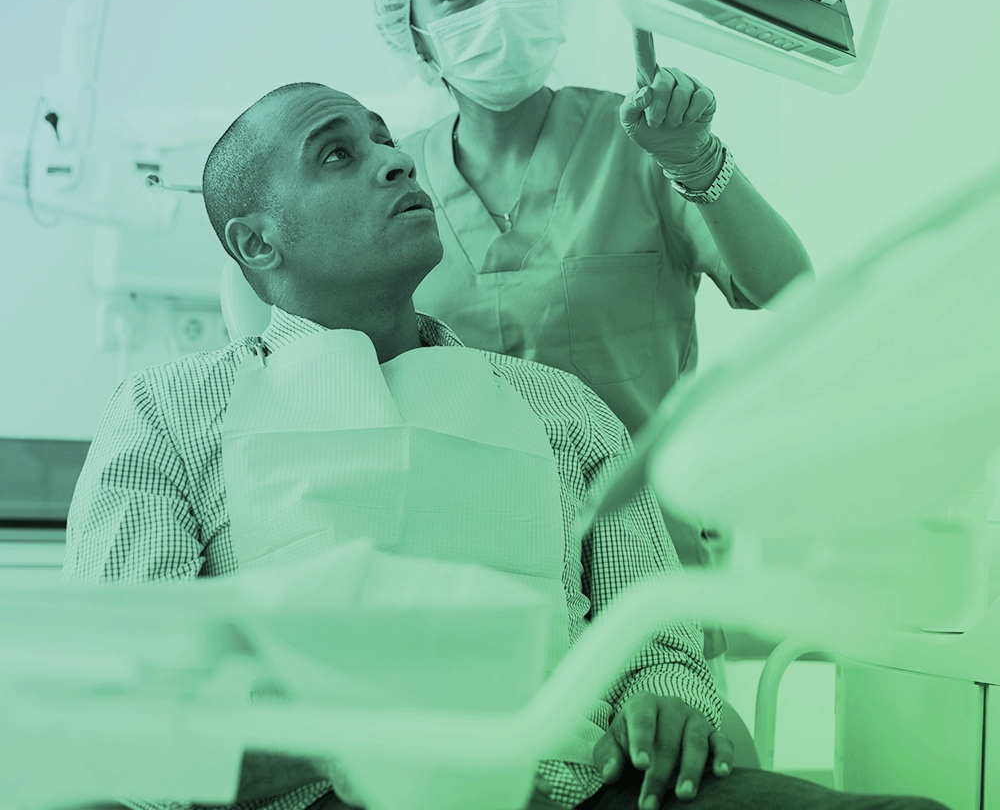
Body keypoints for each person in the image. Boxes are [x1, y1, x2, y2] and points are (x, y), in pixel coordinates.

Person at [64, 83, 943, 810]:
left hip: (572, 791)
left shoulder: (558, 407)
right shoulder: (169, 412)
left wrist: (664, 693)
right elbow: (140, 718)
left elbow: (661, 640)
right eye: (337, 153)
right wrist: (357, 732)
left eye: (383, 139)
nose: (394, 158)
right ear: (257, 242)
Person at [373, 0, 815, 683]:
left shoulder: (643, 139)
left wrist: (698, 160)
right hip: (466, 581)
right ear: (418, 34)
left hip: (651, 578)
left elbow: (789, 295)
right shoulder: (394, 187)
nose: (497, 5)